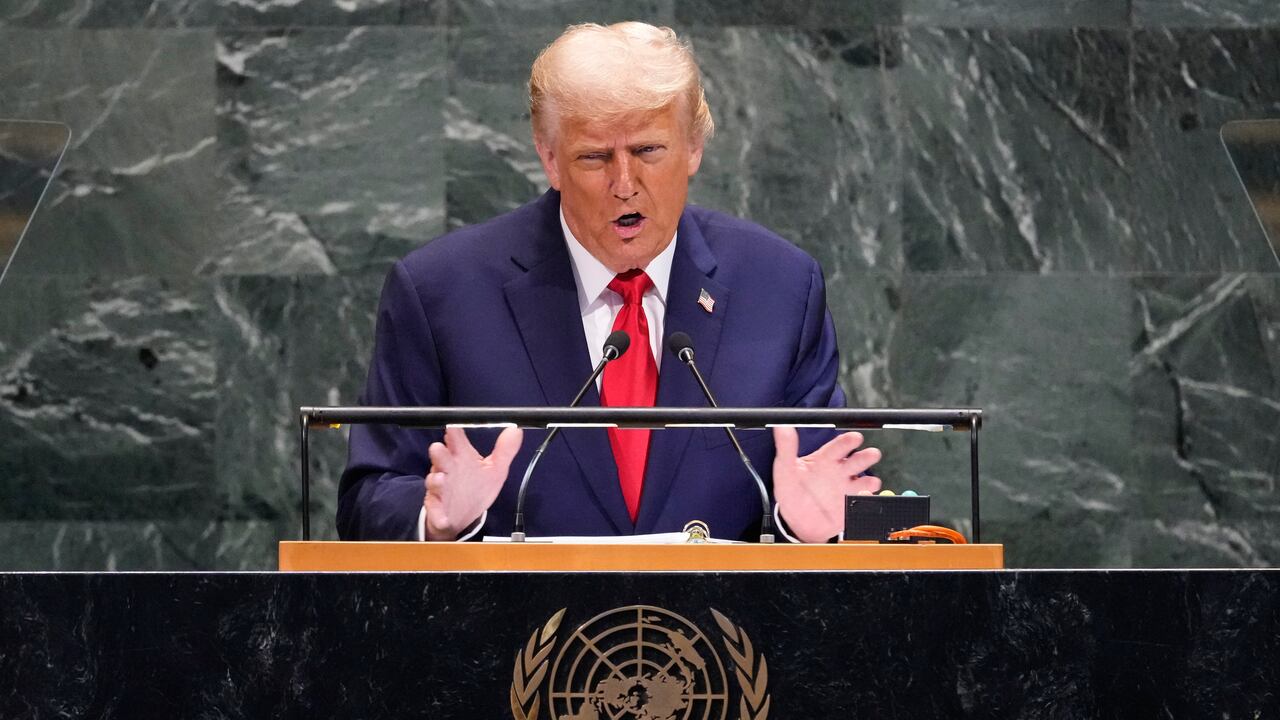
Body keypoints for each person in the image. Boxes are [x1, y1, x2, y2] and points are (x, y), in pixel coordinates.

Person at [337, 21, 881, 543]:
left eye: (648, 151)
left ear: (693, 146)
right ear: (550, 159)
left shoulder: (780, 287)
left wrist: (804, 528)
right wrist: (435, 521)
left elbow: (823, 486)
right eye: (594, 157)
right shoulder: (441, 293)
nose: (625, 184)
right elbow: (369, 496)